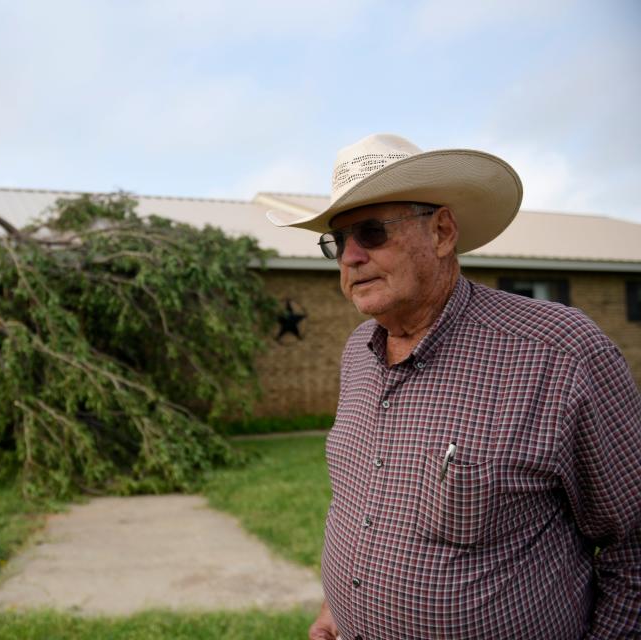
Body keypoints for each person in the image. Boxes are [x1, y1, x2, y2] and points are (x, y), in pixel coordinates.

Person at [266, 134, 641, 639]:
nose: (350, 257)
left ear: (442, 232)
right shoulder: (358, 351)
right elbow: (362, 504)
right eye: (337, 241)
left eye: (372, 232)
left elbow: (633, 547)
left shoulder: (559, 353)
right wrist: (339, 604)